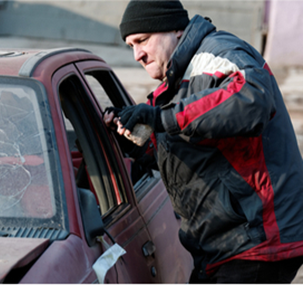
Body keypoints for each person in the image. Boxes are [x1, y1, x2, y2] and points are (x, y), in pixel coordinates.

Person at [106, 0, 303, 283]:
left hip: (258, 241)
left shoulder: (219, 54)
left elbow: (252, 99)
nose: (137, 54)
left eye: (142, 40)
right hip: (221, 247)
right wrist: (130, 141)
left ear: (174, 29)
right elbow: (180, 150)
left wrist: (162, 118)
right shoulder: (173, 87)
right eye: (130, 46)